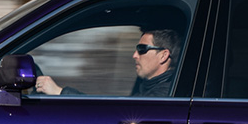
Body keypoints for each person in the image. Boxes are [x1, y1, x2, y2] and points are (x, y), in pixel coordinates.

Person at [35, 28, 181, 98]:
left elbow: (119, 115)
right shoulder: (148, 88)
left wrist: (60, 92)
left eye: (142, 49)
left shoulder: (162, 95)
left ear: (163, 55)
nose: (134, 55)